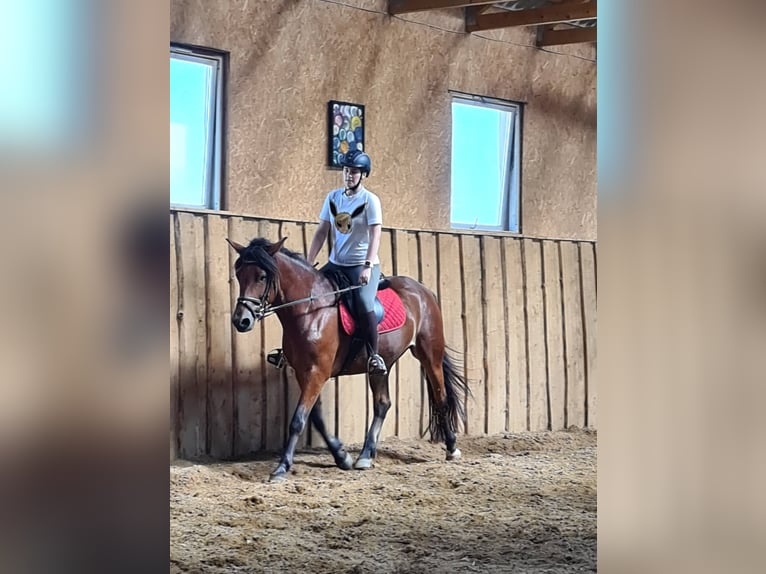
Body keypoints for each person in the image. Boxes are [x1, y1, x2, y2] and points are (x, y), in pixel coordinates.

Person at [307, 150, 387, 376]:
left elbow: (376, 235)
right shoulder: (332, 198)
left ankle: (374, 355)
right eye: (346, 171)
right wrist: (309, 262)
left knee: (363, 302)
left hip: (360, 265)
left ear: (363, 175)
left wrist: (368, 265)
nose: (349, 175)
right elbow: (322, 231)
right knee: (309, 293)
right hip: (336, 263)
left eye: (354, 172)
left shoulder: (370, 201)